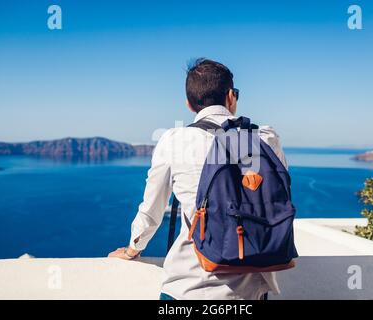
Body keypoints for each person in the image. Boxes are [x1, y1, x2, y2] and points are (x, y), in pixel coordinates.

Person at [108, 58, 289, 300]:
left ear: (189, 104)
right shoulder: (266, 139)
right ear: (231, 96)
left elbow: (152, 211)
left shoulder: (173, 141)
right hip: (250, 289)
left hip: (187, 286)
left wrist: (133, 248)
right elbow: (279, 195)